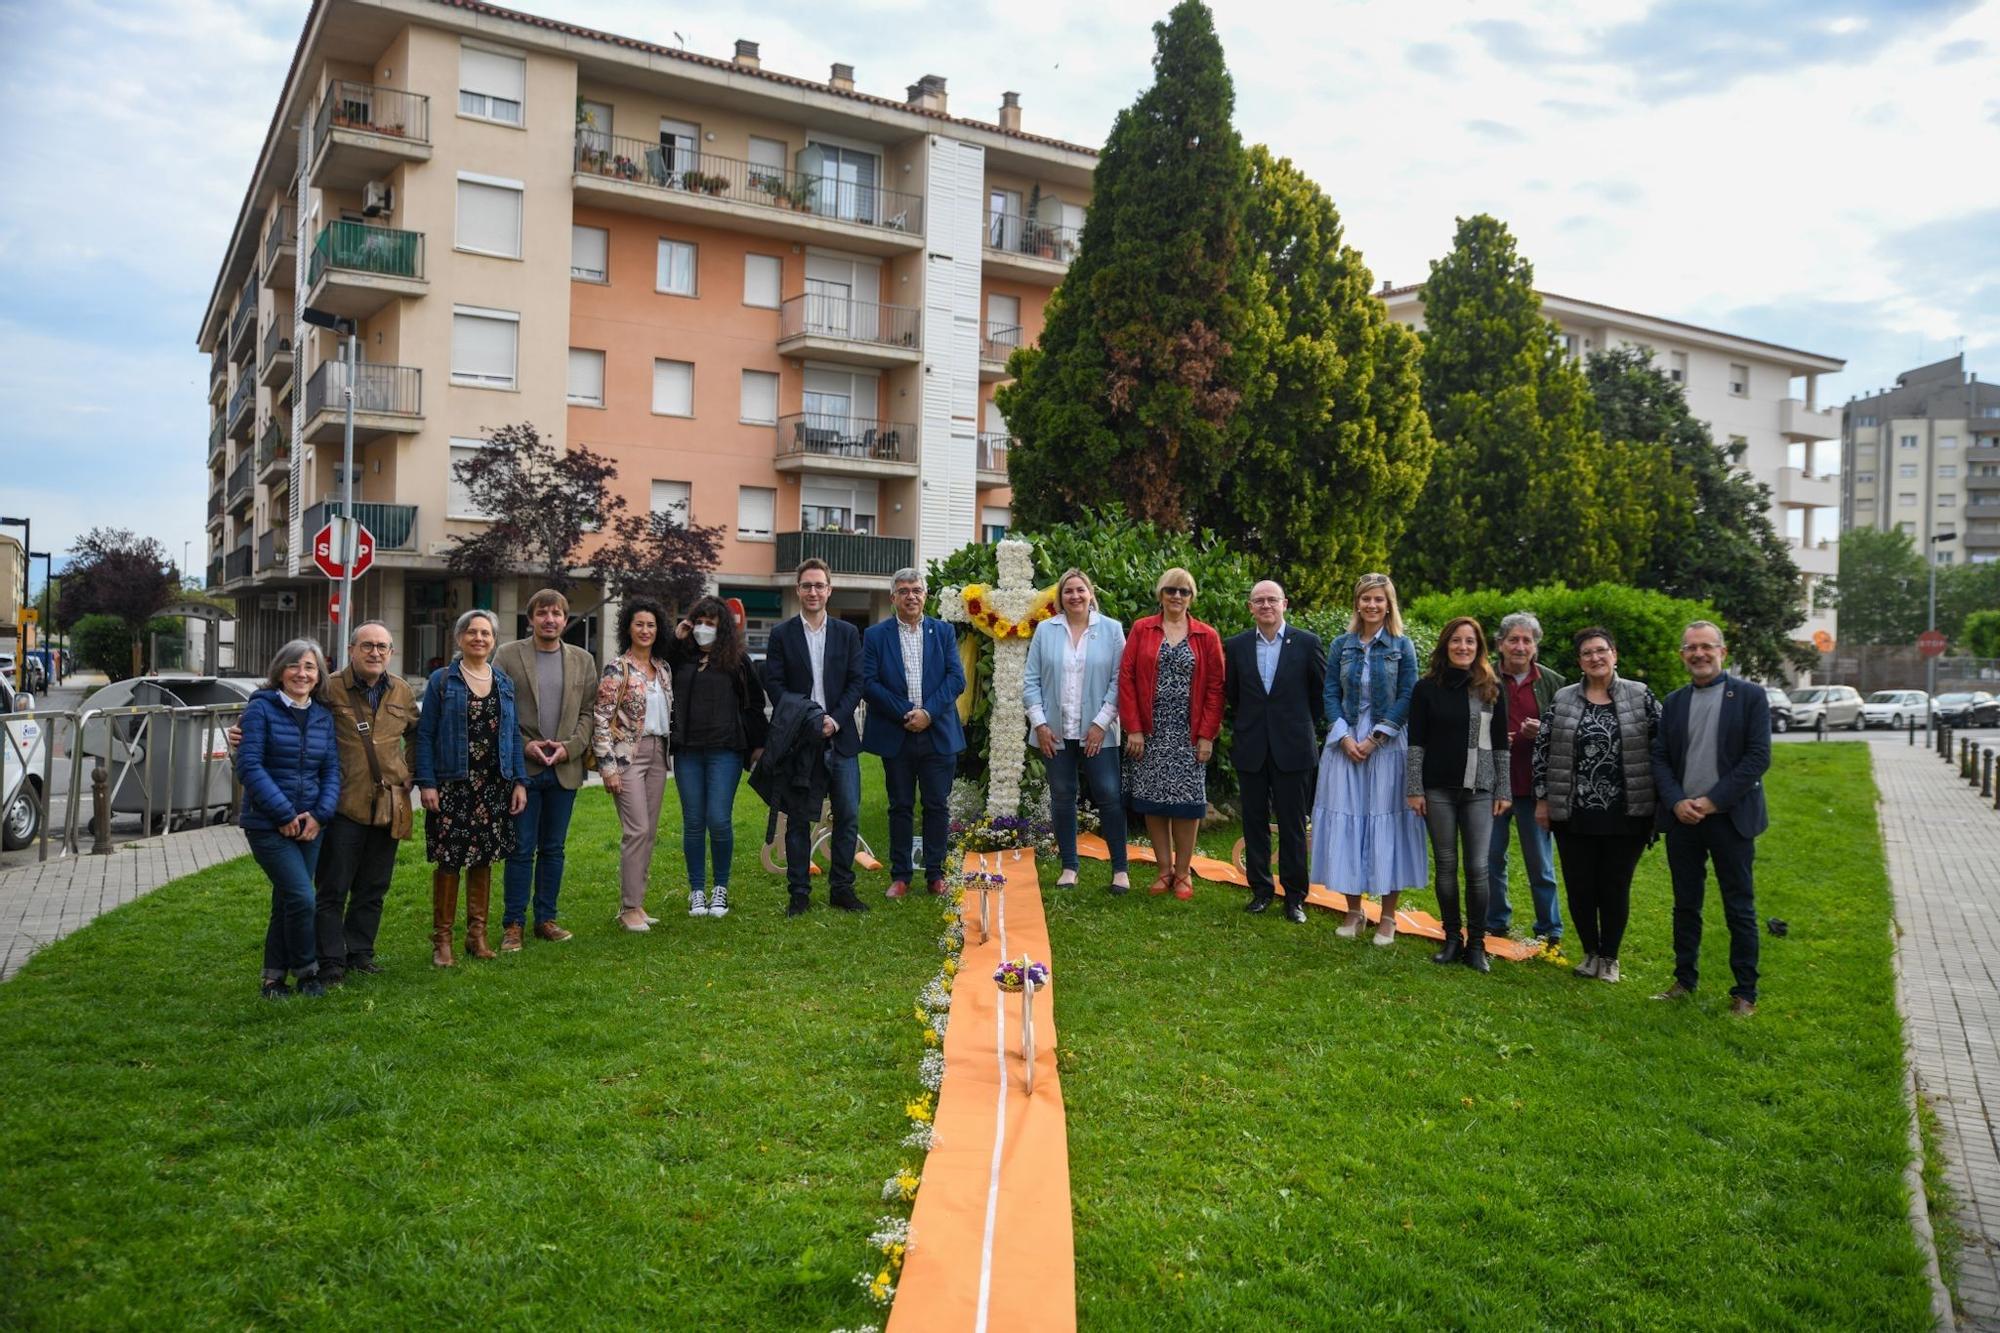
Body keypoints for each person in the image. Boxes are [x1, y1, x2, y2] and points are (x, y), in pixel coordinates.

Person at [1650, 620, 1770, 1016]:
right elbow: (1661, 758)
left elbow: (1757, 757)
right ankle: (1684, 980)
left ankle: (1745, 992)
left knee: (1739, 906)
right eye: (1691, 648)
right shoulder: (1676, 701)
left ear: (1723, 651)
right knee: (1686, 904)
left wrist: (1713, 801)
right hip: (1684, 819)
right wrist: (1677, 802)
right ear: (1682, 655)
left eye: (1706, 647)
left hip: (1730, 818)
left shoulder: (1750, 697)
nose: (1699, 654)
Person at [1533, 627, 1660, 985]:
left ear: (1614, 654)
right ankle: (1590, 951)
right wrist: (1543, 799)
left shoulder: (1640, 695)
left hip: (1627, 812)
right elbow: (1543, 750)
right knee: (1580, 885)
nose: (1595, 658)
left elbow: (1663, 744)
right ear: (1579, 661)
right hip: (1574, 812)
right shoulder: (1564, 698)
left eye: (1601, 650)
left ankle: (1610, 957)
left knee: (1615, 885)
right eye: (1587, 653)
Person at [1310, 573, 1427, 946]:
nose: (1372, 605)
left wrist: (1376, 738)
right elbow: (1329, 691)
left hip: (1387, 744)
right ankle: (1353, 910)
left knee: (1386, 823)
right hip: (1345, 742)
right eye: (1365, 599)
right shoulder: (1341, 645)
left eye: (1379, 599)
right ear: (1357, 603)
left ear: (1389, 604)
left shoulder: (1401, 645)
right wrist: (1344, 736)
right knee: (1350, 822)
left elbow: (1409, 695)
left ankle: (1388, 917)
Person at [413, 610, 527, 967]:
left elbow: (513, 735)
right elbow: (425, 735)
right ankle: (442, 940)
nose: (479, 638)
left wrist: (519, 781)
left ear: (494, 641)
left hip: (494, 785)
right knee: (449, 861)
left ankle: (476, 934)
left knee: (484, 859)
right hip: (453, 786)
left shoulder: (504, 682)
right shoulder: (442, 681)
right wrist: (427, 783)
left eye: (486, 633)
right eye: (472, 632)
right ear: (460, 638)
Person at [761, 558, 868, 915]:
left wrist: (834, 721)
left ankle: (841, 888)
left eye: (819, 585)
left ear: (829, 590)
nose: (813, 591)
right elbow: (774, 684)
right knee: (797, 819)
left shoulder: (847, 633)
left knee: (848, 813)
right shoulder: (781, 635)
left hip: (841, 737)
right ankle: (799, 894)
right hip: (800, 740)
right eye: (807, 585)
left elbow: (857, 682)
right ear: (798, 590)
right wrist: (807, 719)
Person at [313, 621, 416, 983]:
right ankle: (330, 961)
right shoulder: (328, 688)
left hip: (388, 806)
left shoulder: (401, 691)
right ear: (351, 650)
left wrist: (411, 771)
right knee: (333, 888)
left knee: (374, 887)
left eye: (382, 647)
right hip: (342, 804)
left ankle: (359, 952)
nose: (375, 653)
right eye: (367, 646)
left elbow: (419, 734)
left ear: (391, 653)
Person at [1405, 617, 1510, 972]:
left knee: (1478, 867)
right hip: (1437, 790)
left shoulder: (1490, 688)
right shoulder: (1425, 689)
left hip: (1480, 789)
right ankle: (1452, 939)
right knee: (1447, 866)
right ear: (1445, 645)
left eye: (1470, 641)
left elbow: (1500, 746)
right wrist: (1415, 788)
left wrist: (1503, 788)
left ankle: (1477, 945)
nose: (1463, 647)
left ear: (1479, 647)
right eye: (1456, 641)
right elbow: (1415, 742)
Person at [237, 639, 341, 999]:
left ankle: (273, 979)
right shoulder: (260, 710)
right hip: (267, 824)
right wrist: (282, 813)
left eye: (310, 667)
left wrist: (319, 815)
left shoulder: (323, 716)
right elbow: (249, 766)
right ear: (280, 671)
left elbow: (331, 771)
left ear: (319, 675)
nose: (302, 673)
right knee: (301, 896)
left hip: (311, 824)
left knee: (287, 899)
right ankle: (307, 971)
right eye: (294, 665)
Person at [493, 589, 596, 949]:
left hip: (564, 769)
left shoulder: (583, 660)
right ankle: (514, 924)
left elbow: (588, 713)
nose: (550, 619)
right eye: (543, 613)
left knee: (554, 848)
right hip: (523, 769)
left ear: (566, 620)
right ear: (531, 618)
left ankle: (546, 919)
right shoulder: (507, 655)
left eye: (557, 614)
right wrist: (525, 746)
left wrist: (570, 749)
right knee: (521, 848)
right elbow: (498, 710)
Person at [1118, 567, 1225, 901]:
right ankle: (1163, 870)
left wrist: (1207, 734)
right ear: (1160, 595)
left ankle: (1183, 873)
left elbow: (1215, 688)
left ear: (1192, 597)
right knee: (1154, 801)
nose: (1176, 597)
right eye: (1170, 590)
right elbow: (1127, 678)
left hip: (1190, 733)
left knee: (1188, 803)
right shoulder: (1142, 629)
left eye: (1184, 591)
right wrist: (1133, 728)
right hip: (1150, 731)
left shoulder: (1206, 636)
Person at [1223, 580, 1324, 923]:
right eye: (1259, 601)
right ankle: (1261, 890)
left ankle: (1295, 897)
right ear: (1250, 607)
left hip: (1293, 746)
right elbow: (1234, 696)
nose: (1266, 605)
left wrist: (1292, 723)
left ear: (1285, 604)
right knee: (1253, 822)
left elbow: (1318, 696)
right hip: (1252, 745)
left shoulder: (1308, 644)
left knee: (1293, 824)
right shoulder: (1236, 647)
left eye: (1272, 600)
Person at [863, 569, 967, 898]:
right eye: (904, 591)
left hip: (937, 734)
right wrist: (905, 712)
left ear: (926, 595)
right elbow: (868, 682)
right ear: (893, 597)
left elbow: (955, 678)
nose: (911, 596)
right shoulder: (875, 636)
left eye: (917, 590)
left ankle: (936, 874)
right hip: (897, 733)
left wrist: (928, 713)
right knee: (900, 806)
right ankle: (901, 875)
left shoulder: (944, 632)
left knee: (937, 805)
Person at [1025, 569, 1130, 892]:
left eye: (1080, 590)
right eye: (1068, 591)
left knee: (1109, 795)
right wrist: (1040, 724)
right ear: (1060, 597)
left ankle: (1120, 871)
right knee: (1062, 797)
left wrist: (1100, 724)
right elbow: (1031, 682)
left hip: (1100, 731)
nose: (1074, 596)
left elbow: (1120, 680)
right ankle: (1069, 867)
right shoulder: (1046, 630)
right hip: (1055, 732)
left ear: (1090, 593)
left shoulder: (1111, 630)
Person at [667, 595, 769, 918]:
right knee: (694, 822)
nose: (703, 629)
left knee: (719, 820)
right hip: (687, 751)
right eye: (699, 622)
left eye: (710, 623)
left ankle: (720, 888)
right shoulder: (680, 658)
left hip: (725, 750)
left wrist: (758, 745)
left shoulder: (738, 661)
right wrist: (676, 636)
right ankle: (697, 890)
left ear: (722, 627)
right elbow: (659, 668)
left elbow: (754, 704)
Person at [594, 598, 676, 932]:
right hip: (628, 755)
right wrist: (608, 767)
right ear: (628, 626)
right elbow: (600, 718)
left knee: (649, 832)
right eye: (639, 624)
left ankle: (638, 904)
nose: (645, 630)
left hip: (659, 753)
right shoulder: (618, 667)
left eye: (652, 625)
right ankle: (628, 908)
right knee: (636, 829)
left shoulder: (663, 668)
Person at [1486, 611, 1566, 946]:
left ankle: (1550, 929)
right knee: (1490, 859)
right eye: (1513, 640)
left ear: (1535, 647)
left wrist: (1543, 731)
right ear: (1500, 644)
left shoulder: (1554, 682)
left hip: (1534, 787)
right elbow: (1462, 723)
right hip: (1491, 783)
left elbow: (1567, 734)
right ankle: (1495, 921)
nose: (1520, 646)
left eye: (1527, 640)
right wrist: (1489, 739)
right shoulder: (1482, 676)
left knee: (1540, 864)